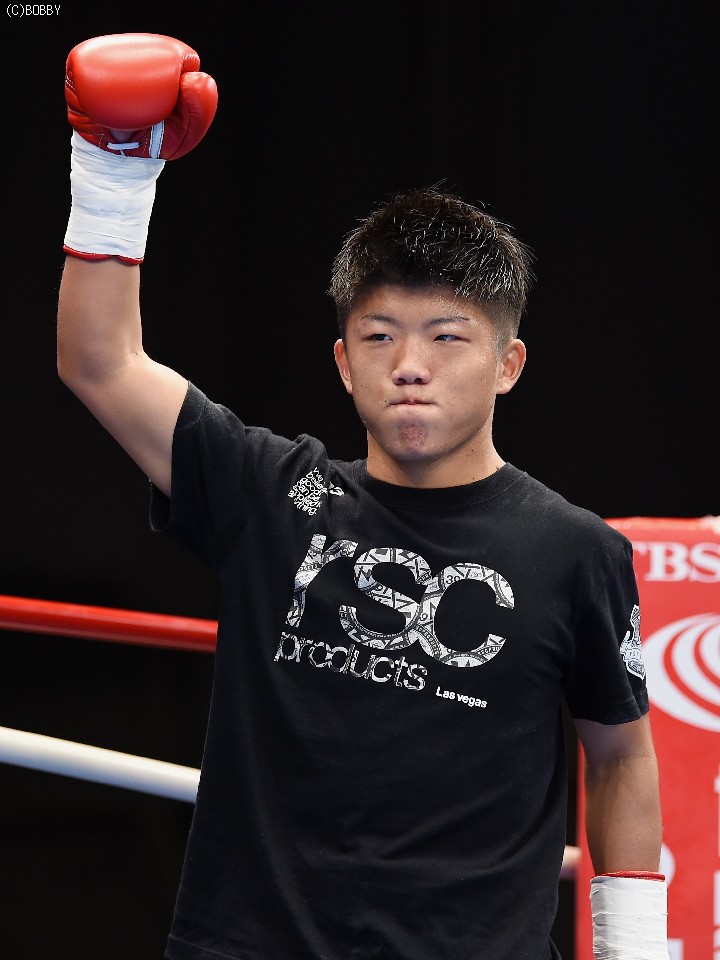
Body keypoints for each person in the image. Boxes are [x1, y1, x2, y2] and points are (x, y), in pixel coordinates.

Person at [56, 33, 670, 960]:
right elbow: (99, 361)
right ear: (344, 363)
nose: (410, 366)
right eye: (380, 337)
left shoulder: (577, 551)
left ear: (508, 364)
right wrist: (114, 168)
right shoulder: (268, 492)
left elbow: (621, 757)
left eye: (447, 338)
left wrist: (635, 955)